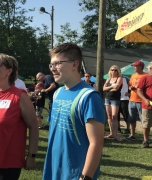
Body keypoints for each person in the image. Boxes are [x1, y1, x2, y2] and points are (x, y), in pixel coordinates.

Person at [43, 43, 105, 180]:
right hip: (53, 169)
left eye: (57, 63)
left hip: (75, 174)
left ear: (74, 65)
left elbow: (96, 143)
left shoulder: (89, 97)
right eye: (51, 65)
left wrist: (85, 177)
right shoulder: (57, 93)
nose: (52, 69)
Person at [126, 60, 147, 141]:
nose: (134, 67)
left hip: (141, 101)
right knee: (132, 119)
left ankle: (145, 136)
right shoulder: (133, 75)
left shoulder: (146, 76)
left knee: (143, 119)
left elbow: (147, 88)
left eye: (135, 66)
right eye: (134, 66)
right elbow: (130, 85)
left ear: (140, 67)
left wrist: (138, 88)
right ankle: (132, 135)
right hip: (132, 100)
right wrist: (130, 88)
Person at [103, 65, 123, 141]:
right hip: (107, 98)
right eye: (112, 70)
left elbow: (117, 88)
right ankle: (111, 133)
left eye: (115, 70)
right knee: (109, 116)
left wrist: (109, 88)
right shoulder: (108, 79)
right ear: (110, 71)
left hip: (115, 99)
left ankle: (115, 134)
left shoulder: (119, 78)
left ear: (118, 71)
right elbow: (104, 88)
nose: (113, 71)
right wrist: (112, 87)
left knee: (114, 116)